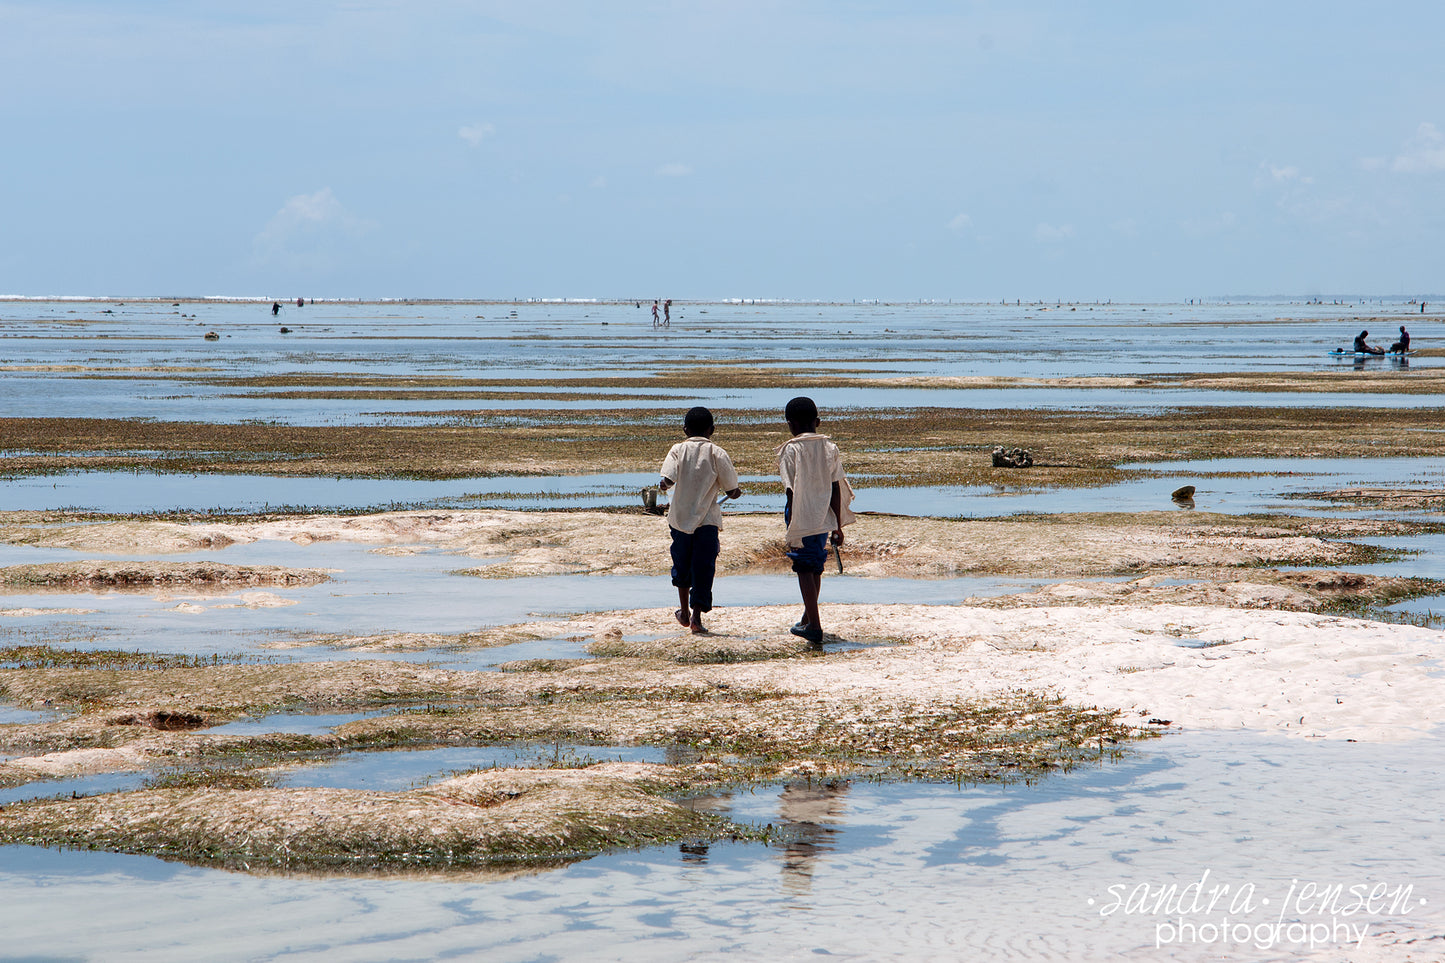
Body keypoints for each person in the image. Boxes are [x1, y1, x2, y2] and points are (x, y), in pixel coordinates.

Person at [778, 396, 855, 644]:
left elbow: (791, 490)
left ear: (790, 424)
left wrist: (791, 523)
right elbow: (836, 487)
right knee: (816, 566)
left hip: (801, 515)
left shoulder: (790, 449)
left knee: (803, 567)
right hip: (824, 515)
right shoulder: (830, 448)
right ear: (818, 422)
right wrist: (838, 524)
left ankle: (814, 624)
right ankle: (807, 617)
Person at [659, 407, 741, 634]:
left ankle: (683, 611)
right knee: (704, 568)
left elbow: (667, 479)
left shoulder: (677, 450)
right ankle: (696, 617)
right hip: (707, 521)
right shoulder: (717, 453)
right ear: (711, 430)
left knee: (682, 565)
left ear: (685, 429)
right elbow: (731, 488)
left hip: (680, 520)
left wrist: (664, 485)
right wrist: (735, 493)